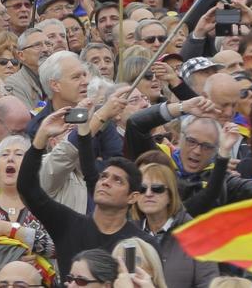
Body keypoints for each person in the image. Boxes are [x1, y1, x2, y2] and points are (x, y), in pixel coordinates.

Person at [20, 108, 156, 274]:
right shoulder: (67, 225)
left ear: (133, 197)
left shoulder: (139, 243)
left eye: (117, 180)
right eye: (104, 176)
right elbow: (27, 188)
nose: (106, 182)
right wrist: (41, 136)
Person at [0, 136, 57, 267]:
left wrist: (11, 230)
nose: (10, 158)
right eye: (4, 154)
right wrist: (10, 259)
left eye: (19, 154)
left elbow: (57, 246)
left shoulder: (44, 208)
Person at [131, 161, 220, 288]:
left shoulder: (198, 235)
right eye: (142, 189)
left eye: (157, 189)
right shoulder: (129, 234)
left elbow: (209, 284)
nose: (148, 194)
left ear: (171, 195)